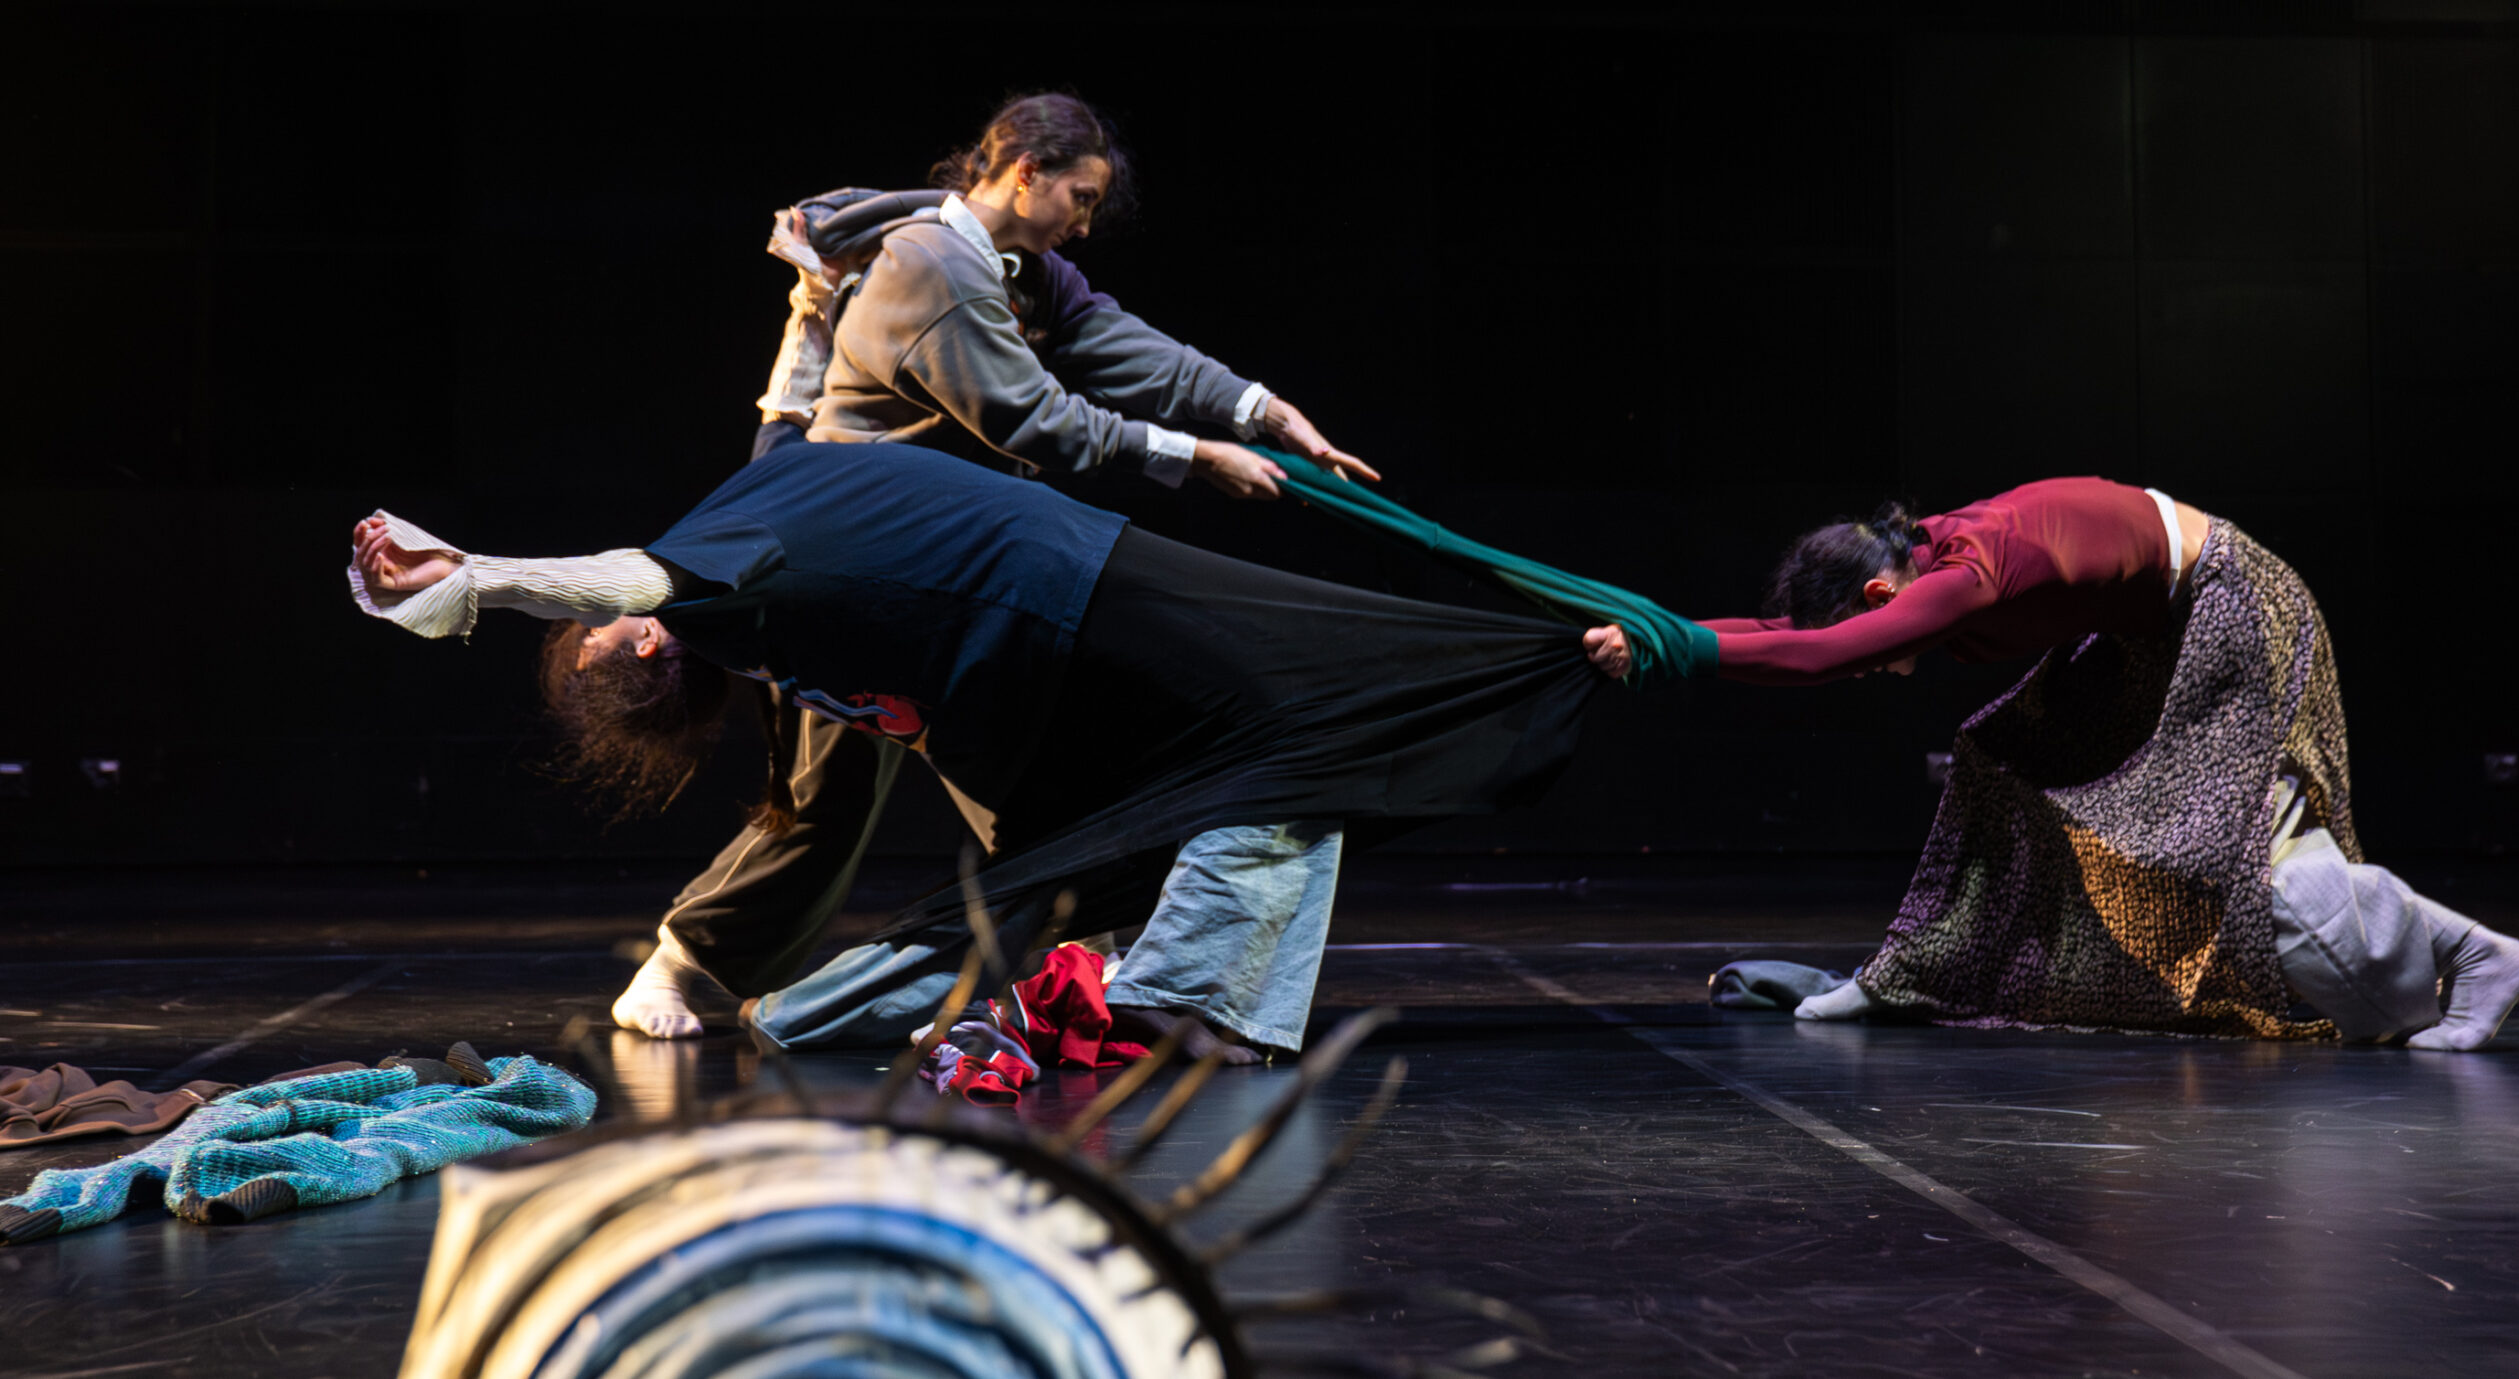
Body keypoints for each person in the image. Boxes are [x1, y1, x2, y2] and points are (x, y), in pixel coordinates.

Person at [350, 439, 1633, 1062]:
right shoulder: (738, 618)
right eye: (597, 634)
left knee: (1289, 729)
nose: (603, 624)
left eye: (591, 628)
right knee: (1275, 738)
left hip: (1048, 591)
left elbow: (658, 547)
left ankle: (1179, 988)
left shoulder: (729, 573)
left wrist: (474, 573)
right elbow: (916, 732)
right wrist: (480, 577)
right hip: (1042, 611)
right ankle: (1159, 991)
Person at [623, 93, 1379, 1041]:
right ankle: (672, 965)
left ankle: (1093, 965)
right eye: (1080, 196)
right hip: (850, 580)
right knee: (824, 804)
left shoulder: (1023, 273)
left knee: (1034, 793)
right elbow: (1030, 419)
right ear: (1025, 170)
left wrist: (1260, 409)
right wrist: (1196, 456)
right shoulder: (926, 265)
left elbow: (1123, 343)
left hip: (951, 591)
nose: (1086, 222)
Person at [1700, 478, 2519, 1051]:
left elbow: (1821, 655)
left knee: (2244, 853)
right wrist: (1652, 633)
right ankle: (1911, 975)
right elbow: (1803, 639)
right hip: (2149, 634)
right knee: (2010, 760)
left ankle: (2469, 958)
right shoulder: (1935, 555)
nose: (1876, 666)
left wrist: (1678, 650)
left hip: (2230, 604)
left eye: (1873, 647)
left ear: (1880, 598)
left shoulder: (1967, 570)